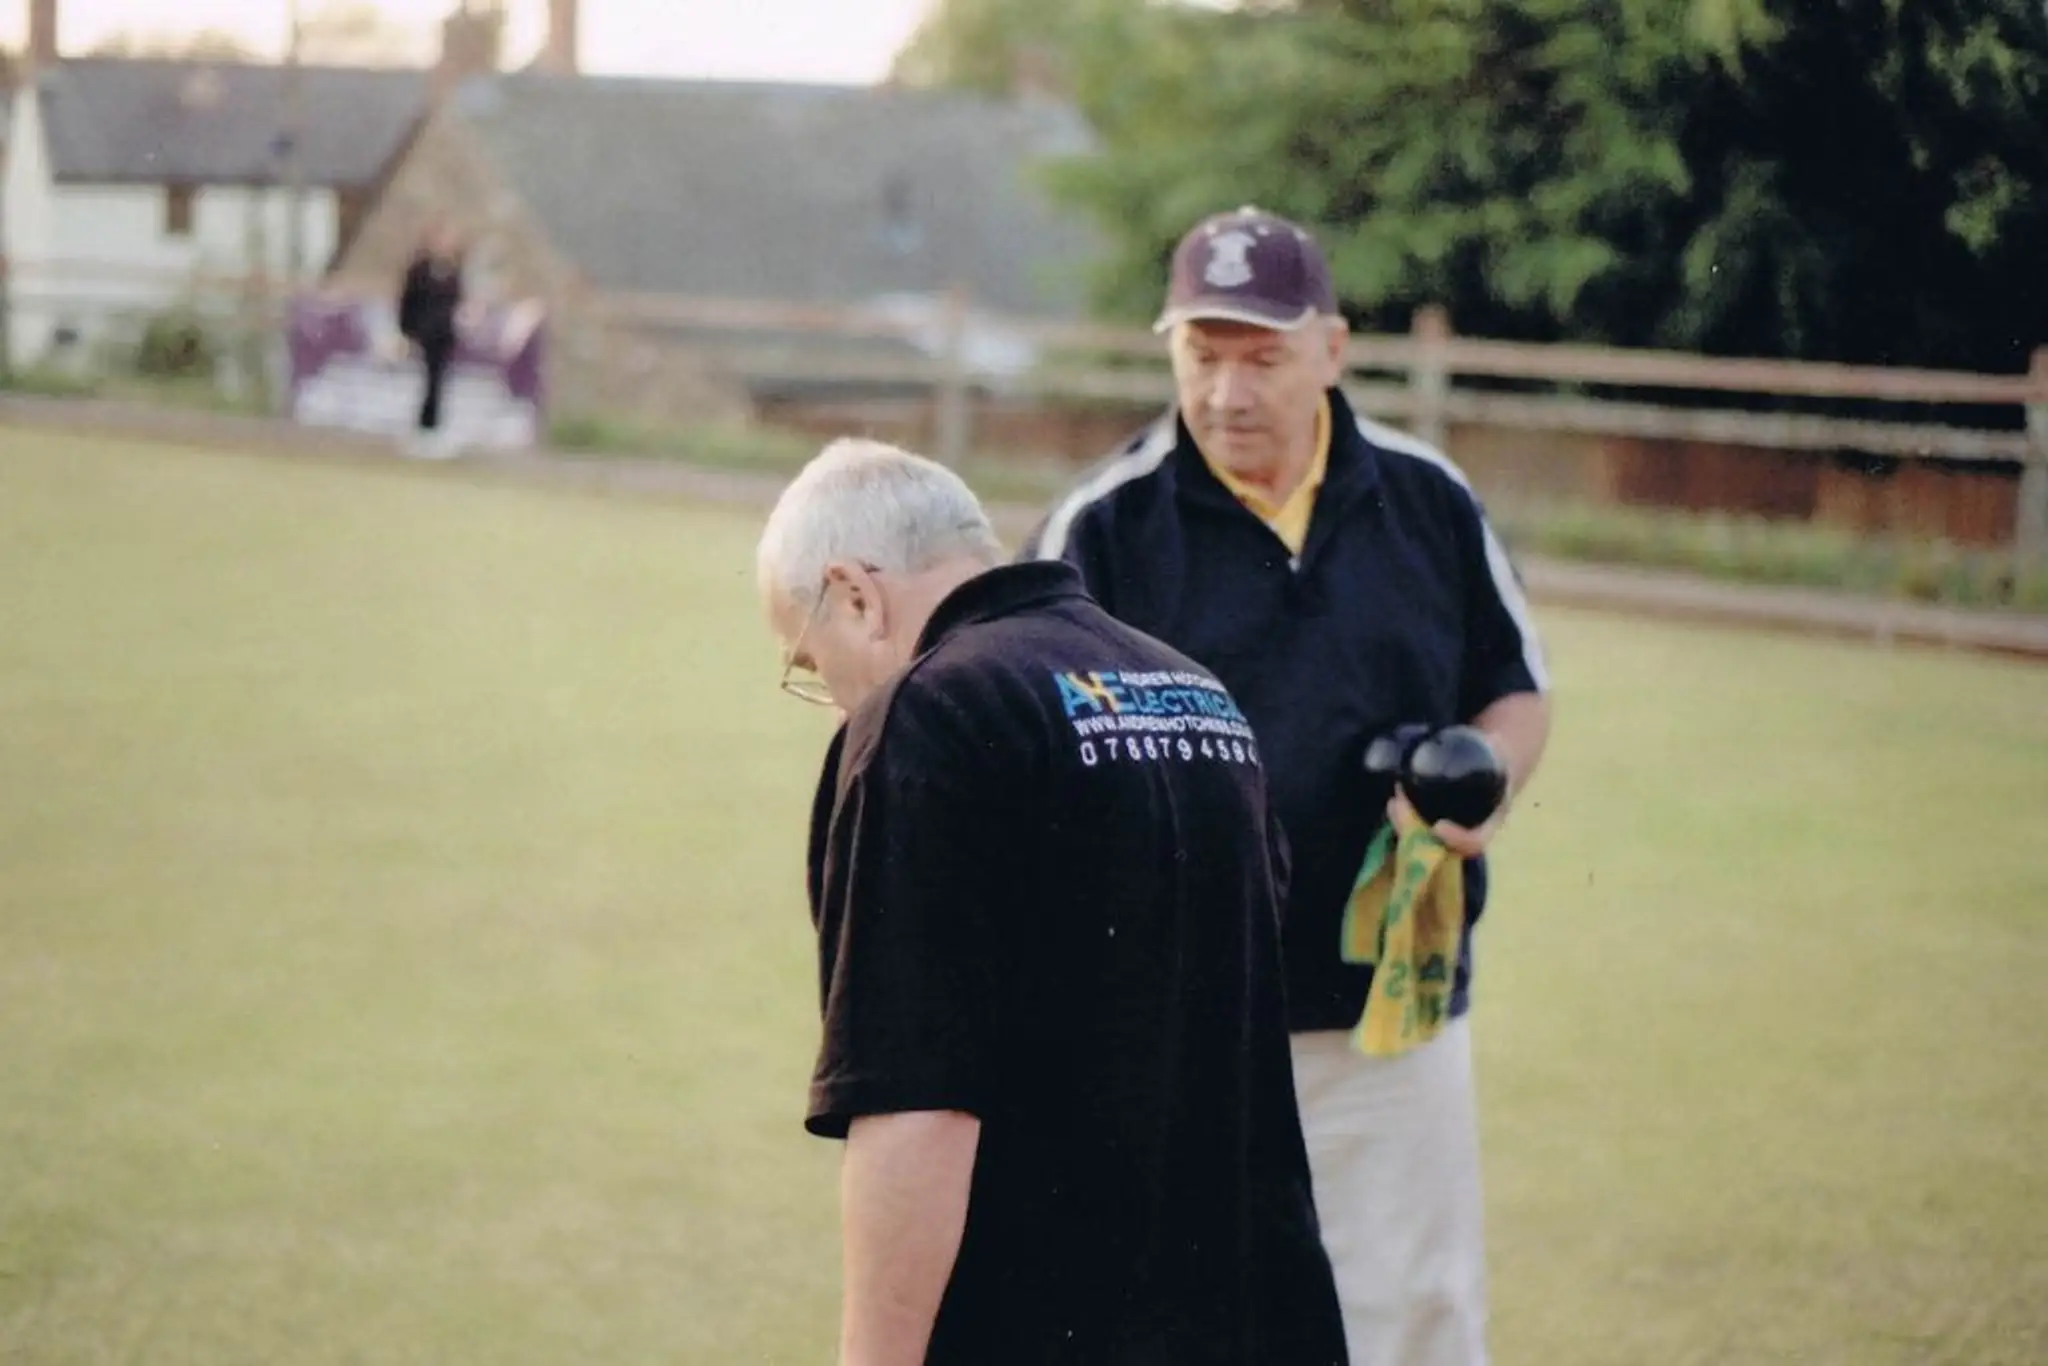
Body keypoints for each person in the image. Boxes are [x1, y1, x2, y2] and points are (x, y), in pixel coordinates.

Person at [1018, 206, 1554, 1366]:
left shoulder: (1427, 499)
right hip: (1180, 1015)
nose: (1226, 393)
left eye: (1260, 358)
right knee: (1176, 1320)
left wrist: (1487, 783)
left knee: (1414, 1313)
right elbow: (1025, 747)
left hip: (1391, 1002)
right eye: (1200, 355)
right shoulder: (1099, 527)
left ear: (1332, 349)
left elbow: (1514, 690)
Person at [757, 438, 1349, 1366]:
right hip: (1253, 1317)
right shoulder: (1197, 695)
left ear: (856, 595)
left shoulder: (929, 715)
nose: (831, 702)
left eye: (808, 660)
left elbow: (914, 1101)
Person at [395, 221, 467, 459]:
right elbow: (407, 303)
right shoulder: (419, 271)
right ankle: (419, 431)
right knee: (422, 383)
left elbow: (458, 304)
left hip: (444, 337)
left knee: (437, 383)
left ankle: (433, 431)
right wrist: (406, 333)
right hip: (422, 334)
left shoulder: (454, 272)